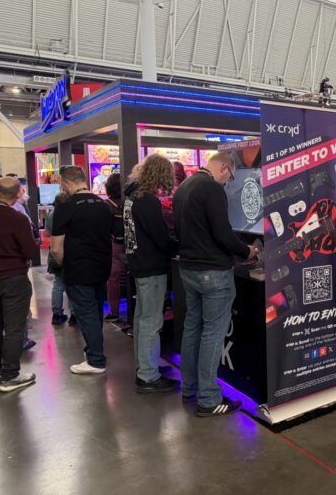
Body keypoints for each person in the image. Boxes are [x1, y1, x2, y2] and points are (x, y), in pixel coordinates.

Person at [173, 153, 258, 417]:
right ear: (223, 168)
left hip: (189, 269)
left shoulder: (184, 186)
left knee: (192, 328)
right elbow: (223, 233)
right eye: (229, 177)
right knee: (212, 333)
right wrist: (246, 252)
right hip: (212, 272)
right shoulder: (211, 188)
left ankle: (190, 387)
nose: (227, 183)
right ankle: (209, 399)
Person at [125, 154, 180, 394]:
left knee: (141, 319)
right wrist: (178, 246)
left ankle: (144, 367)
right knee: (151, 321)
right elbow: (161, 238)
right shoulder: (147, 201)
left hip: (138, 263)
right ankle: (148, 375)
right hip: (151, 267)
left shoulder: (131, 197)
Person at [51, 166, 114, 375]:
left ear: (68, 183)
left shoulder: (65, 208)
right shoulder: (104, 206)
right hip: (102, 267)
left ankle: (96, 359)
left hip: (78, 269)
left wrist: (65, 264)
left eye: (62, 184)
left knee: (87, 314)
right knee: (96, 312)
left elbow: (56, 248)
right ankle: (93, 352)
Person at [0, 177, 39, 392]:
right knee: (14, 328)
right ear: (19, 194)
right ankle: (10, 375)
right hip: (14, 279)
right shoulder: (18, 218)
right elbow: (30, 251)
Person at [45, 192, 72, 325]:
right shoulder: (69, 213)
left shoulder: (51, 214)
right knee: (72, 284)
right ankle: (75, 314)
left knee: (58, 284)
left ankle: (56, 313)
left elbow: (47, 233)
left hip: (54, 252)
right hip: (69, 251)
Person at [104, 173, 125, 322]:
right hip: (131, 244)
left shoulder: (106, 204)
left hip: (114, 244)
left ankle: (114, 311)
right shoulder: (129, 202)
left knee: (113, 279)